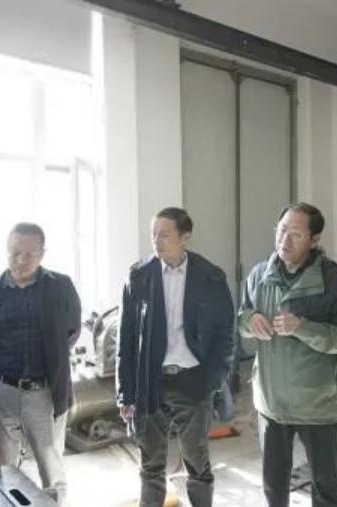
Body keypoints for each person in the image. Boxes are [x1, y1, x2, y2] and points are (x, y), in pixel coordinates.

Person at [238, 203, 337, 507]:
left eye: (295, 234)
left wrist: (303, 328)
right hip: (271, 403)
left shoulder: (335, 281)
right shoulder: (259, 275)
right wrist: (249, 320)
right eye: (282, 230)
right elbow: (240, 318)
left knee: (325, 489)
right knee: (273, 487)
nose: (285, 240)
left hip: (317, 407)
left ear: (314, 239)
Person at [116, 207, 234, 507]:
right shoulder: (138, 276)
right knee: (150, 465)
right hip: (151, 383)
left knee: (197, 463)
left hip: (193, 381)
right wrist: (125, 393)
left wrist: (213, 380)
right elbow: (126, 339)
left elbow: (225, 334)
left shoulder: (210, 276)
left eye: (164, 235)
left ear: (185, 236)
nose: (156, 241)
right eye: (153, 234)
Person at [0, 222, 81, 505]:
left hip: (43, 392)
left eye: (29, 254)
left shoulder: (60, 287)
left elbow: (72, 331)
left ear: (42, 254)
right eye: (14, 253)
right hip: (1, 391)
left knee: (51, 469)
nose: (21, 261)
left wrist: (52, 356)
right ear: (6, 250)